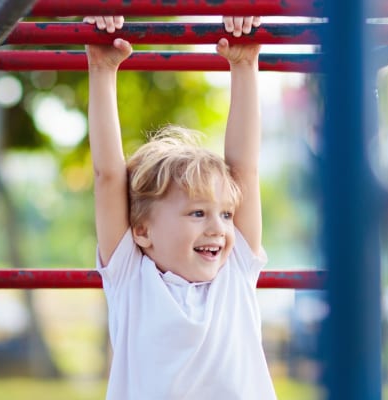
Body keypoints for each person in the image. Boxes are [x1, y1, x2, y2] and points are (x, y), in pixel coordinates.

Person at [84, 15, 275, 399]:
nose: (219, 228)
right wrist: (102, 70)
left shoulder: (234, 270)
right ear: (142, 231)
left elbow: (245, 171)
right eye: (197, 213)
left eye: (224, 213)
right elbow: (108, 176)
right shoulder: (131, 277)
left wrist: (244, 65)